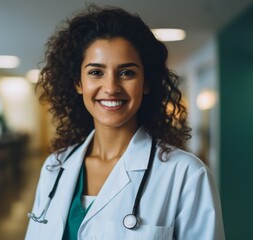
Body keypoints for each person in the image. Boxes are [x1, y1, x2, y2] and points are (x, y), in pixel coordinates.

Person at [26, 5, 225, 240]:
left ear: (147, 83)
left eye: (127, 73)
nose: (111, 88)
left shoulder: (186, 173)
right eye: (96, 72)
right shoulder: (55, 167)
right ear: (78, 83)